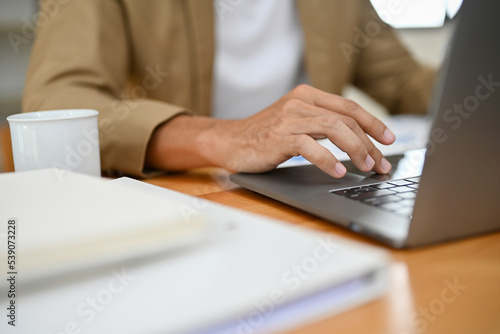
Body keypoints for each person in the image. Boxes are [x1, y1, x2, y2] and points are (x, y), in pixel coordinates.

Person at [23, 0, 435, 178]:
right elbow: (56, 99)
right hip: (186, 198)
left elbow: (403, 80)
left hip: (309, 197)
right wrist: (225, 137)